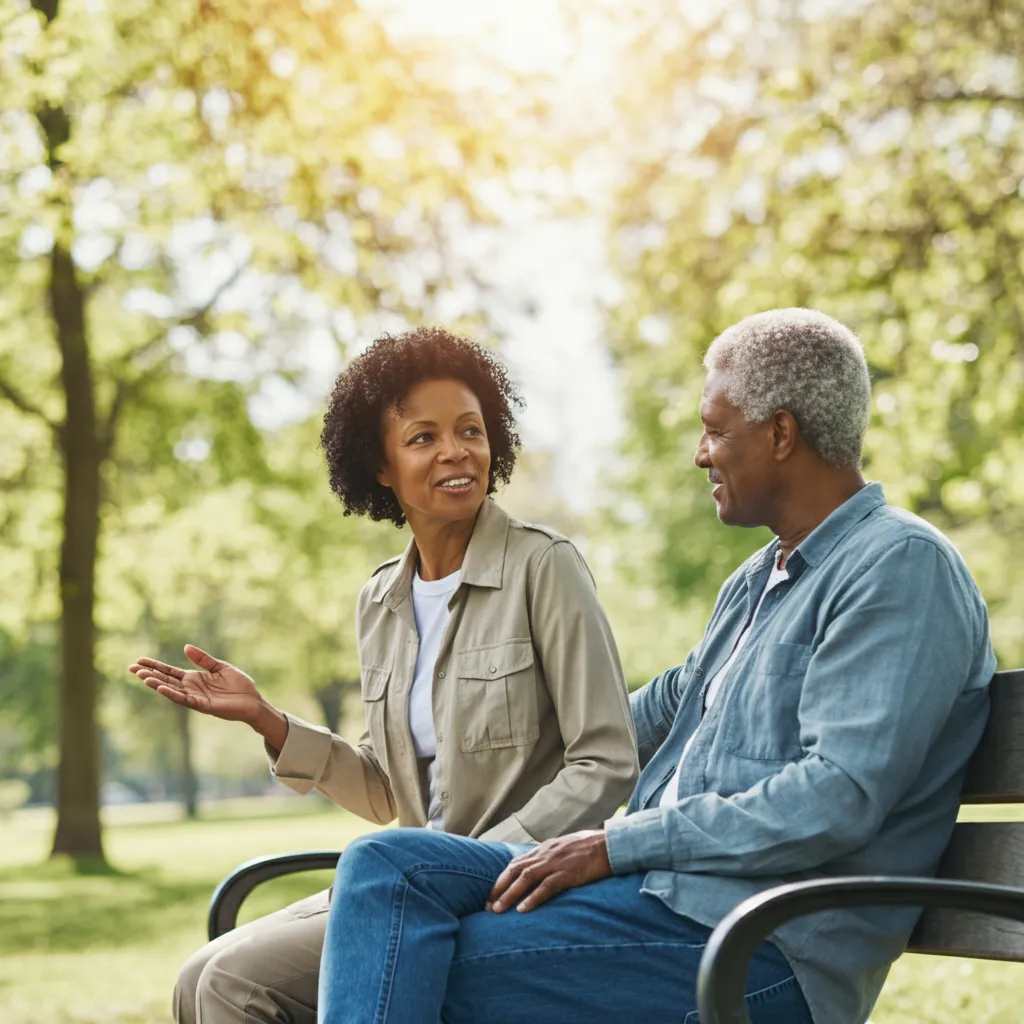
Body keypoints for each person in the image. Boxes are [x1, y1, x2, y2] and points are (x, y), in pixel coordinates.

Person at [317, 309, 995, 1024]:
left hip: (761, 944)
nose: (702, 454)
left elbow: (838, 796)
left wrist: (615, 843)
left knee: (409, 953)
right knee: (388, 865)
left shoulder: (898, 567)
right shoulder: (758, 580)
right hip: (664, 904)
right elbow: (649, 711)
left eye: (716, 428)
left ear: (781, 433)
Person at [130, 326, 639, 1024]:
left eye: (470, 430)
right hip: (404, 881)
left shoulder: (543, 568)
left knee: (233, 985)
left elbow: (605, 760)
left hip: (503, 884)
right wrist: (266, 720)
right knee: (197, 975)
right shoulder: (380, 600)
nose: (456, 451)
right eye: (423, 438)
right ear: (380, 465)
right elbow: (383, 790)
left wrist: (481, 859)